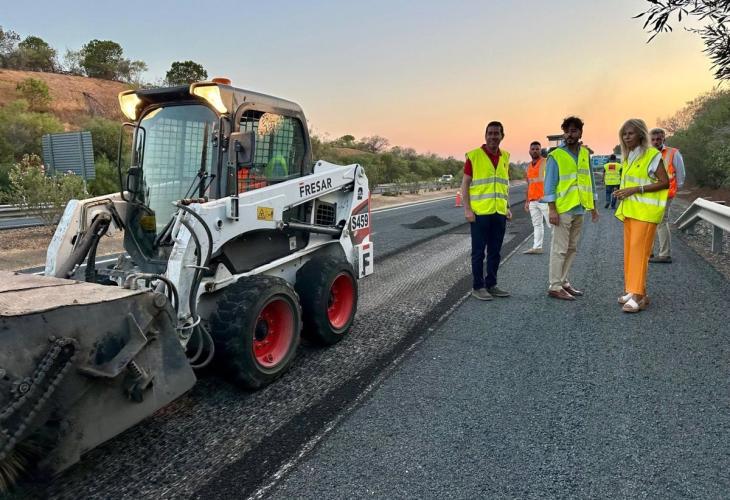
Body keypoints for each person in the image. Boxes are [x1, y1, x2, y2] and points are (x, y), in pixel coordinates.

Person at [613, 119, 669, 313]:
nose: (626, 137)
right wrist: (622, 192)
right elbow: (629, 184)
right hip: (630, 211)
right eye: (624, 134)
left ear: (640, 134)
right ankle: (635, 290)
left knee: (639, 253)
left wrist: (636, 189)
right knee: (630, 253)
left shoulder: (652, 155)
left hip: (645, 213)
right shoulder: (629, 156)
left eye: (630, 133)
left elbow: (665, 182)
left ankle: (638, 296)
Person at [543, 116, 599, 301]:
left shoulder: (585, 154)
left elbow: (589, 180)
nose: (569, 135)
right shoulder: (556, 155)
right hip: (563, 209)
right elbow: (550, 185)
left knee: (572, 248)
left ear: (580, 133)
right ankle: (555, 286)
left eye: (573, 131)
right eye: (566, 131)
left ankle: (563, 281)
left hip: (579, 207)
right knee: (559, 249)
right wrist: (552, 210)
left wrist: (593, 206)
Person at [462, 121, 512, 300]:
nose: (493, 136)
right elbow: (465, 184)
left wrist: (507, 207)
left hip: (499, 213)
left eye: (496, 133)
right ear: (485, 135)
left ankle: (492, 284)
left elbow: (504, 185)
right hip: (480, 213)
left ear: (502, 136)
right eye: (490, 133)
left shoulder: (505, 157)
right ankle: (478, 286)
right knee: (478, 252)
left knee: (495, 251)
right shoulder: (474, 156)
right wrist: (467, 209)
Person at [648, 127, 685, 263]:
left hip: (666, 192)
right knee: (651, 221)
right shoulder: (647, 153)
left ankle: (664, 254)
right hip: (651, 192)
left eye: (658, 139)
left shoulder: (673, 152)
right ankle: (649, 252)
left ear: (664, 138)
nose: (656, 142)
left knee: (661, 221)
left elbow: (680, 173)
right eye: (653, 139)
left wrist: (676, 188)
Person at [523, 141, 549, 254]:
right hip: (533, 201)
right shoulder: (528, 166)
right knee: (537, 225)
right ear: (529, 151)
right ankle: (537, 247)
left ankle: (559, 247)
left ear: (540, 150)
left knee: (553, 224)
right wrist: (527, 201)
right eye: (532, 149)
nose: (535, 151)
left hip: (545, 200)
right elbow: (529, 184)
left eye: (537, 149)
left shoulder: (546, 162)